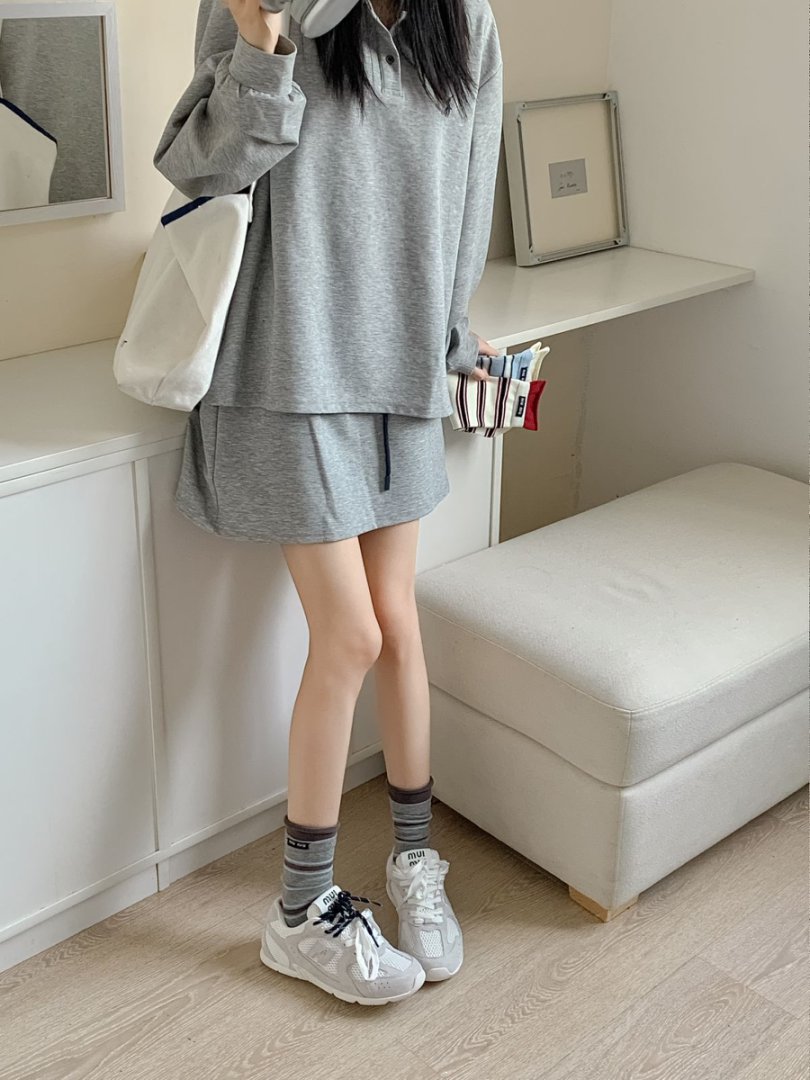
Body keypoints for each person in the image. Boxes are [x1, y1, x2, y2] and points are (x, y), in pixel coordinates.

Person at [152, 0, 503, 1005]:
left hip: (400, 371)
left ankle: (413, 861)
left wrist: (453, 339)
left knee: (398, 625)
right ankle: (301, 911)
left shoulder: (465, 19)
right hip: (289, 367)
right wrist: (263, 46)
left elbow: (469, 186)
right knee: (350, 635)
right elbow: (200, 167)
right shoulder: (270, 8)